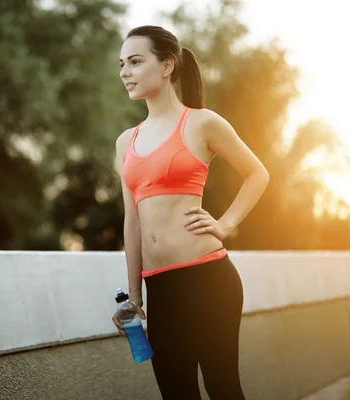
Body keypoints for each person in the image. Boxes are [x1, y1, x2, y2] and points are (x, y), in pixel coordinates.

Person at [111, 25, 269, 399]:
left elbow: (258, 173)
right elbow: (131, 220)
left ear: (167, 65)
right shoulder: (125, 142)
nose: (125, 73)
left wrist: (225, 224)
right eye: (122, 65)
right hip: (159, 286)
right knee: (177, 392)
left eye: (136, 62)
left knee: (223, 387)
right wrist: (134, 295)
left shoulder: (201, 123)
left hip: (208, 280)